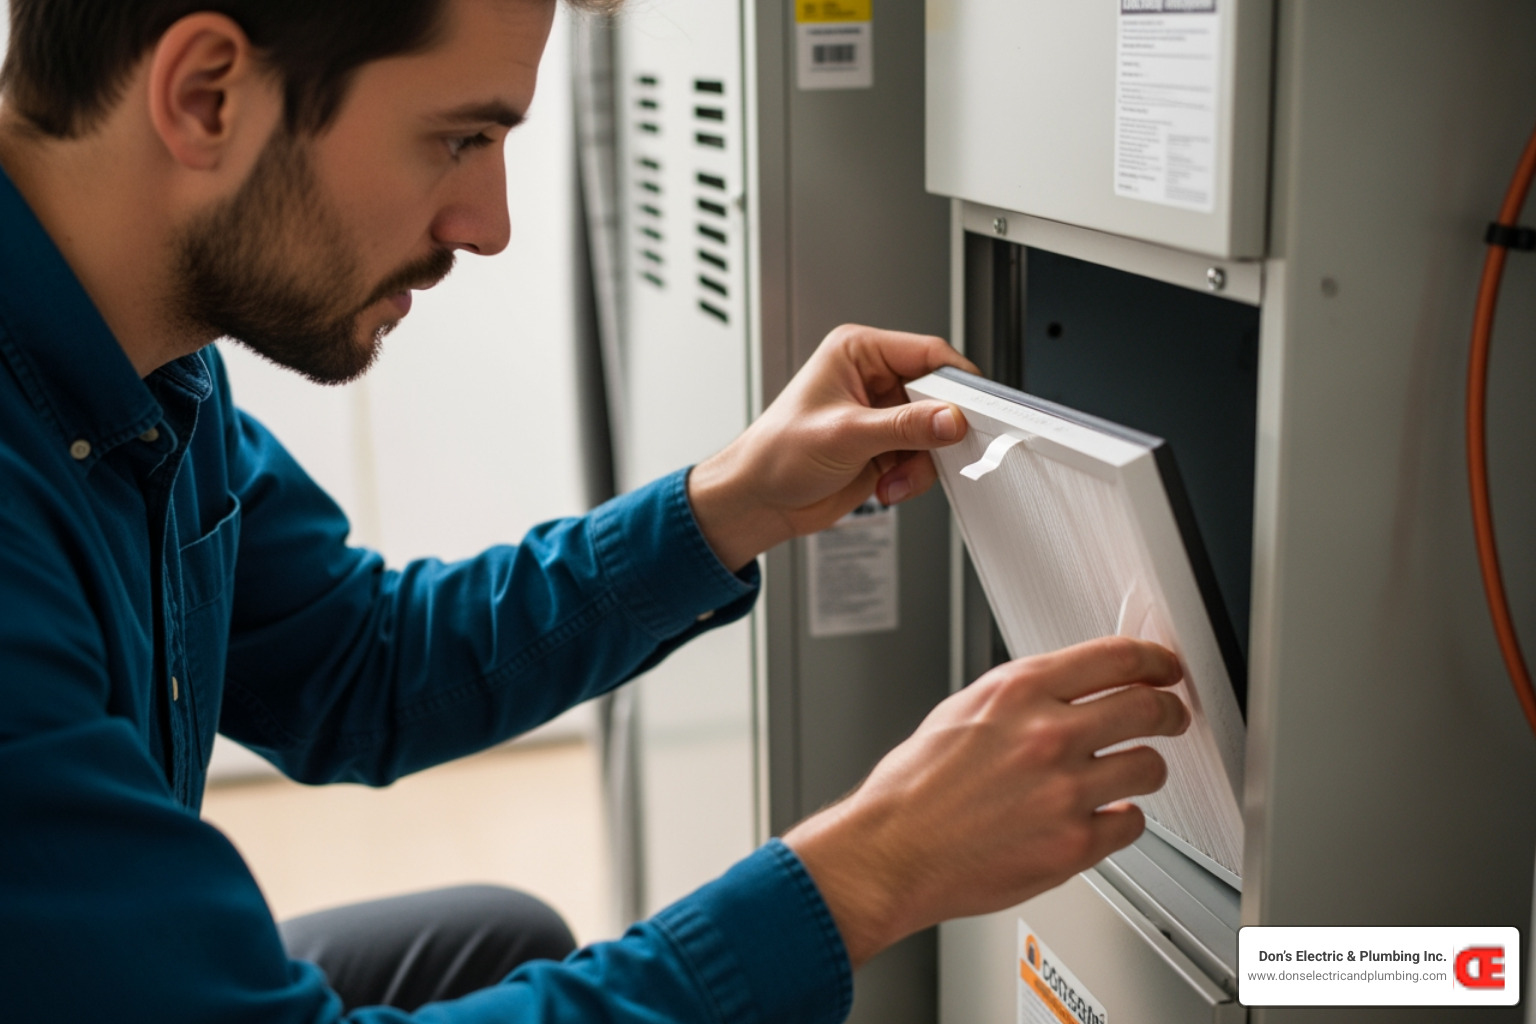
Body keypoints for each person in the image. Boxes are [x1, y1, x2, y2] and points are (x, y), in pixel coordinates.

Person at [0, 0, 1192, 1021]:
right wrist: (875, 868)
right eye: (458, 138)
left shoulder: (153, 372)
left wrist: (726, 505)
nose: (489, 224)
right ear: (206, 93)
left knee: (493, 937)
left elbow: (357, 665)